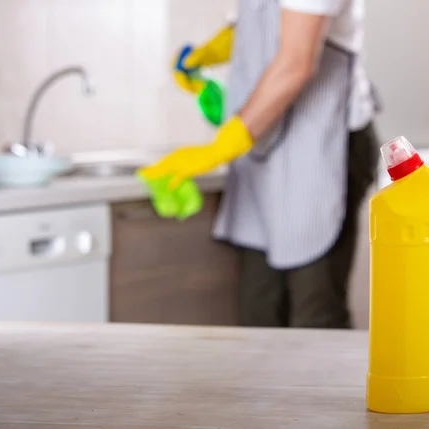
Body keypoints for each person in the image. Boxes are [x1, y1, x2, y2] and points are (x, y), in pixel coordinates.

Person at [140, 0, 381, 329]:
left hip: (324, 148)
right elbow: (266, 24)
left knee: (314, 316)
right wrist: (210, 52)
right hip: (267, 150)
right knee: (260, 309)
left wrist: (221, 147)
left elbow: (296, 62)